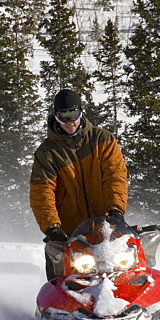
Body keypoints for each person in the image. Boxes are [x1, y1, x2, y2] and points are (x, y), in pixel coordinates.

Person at [29, 89, 128, 279]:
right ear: (55, 117)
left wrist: (116, 210)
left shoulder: (103, 140)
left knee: (125, 268)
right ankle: (54, 306)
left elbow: (115, 176)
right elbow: (42, 192)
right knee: (60, 279)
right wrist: (52, 228)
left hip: (106, 226)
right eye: (63, 116)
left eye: (73, 114)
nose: (70, 122)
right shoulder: (47, 153)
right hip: (69, 235)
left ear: (81, 112)